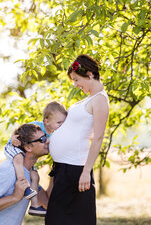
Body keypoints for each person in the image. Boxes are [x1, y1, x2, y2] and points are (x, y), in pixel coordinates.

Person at [45, 54, 110, 225]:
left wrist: (85, 172)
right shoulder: (88, 99)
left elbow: (98, 138)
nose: (75, 85)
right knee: (55, 220)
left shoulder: (100, 100)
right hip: (63, 169)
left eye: (76, 79)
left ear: (89, 74)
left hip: (76, 170)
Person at [0, 123, 50, 225]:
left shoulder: (31, 175)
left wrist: (57, 167)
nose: (48, 141)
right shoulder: (8, 170)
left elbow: (47, 203)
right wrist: (14, 197)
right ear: (28, 147)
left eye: (46, 137)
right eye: (42, 139)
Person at [4, 101, 67, 216]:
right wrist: (13, 137)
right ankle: (22, 182)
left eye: (63, 123)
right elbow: (20, 130)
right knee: (18, 158)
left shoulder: (53, 135)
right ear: (46, 121)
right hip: (14, 148)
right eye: (59, 123)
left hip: (26, 157)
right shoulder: (37, 127)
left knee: (34, 176)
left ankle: (35, 205)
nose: (61, 126)